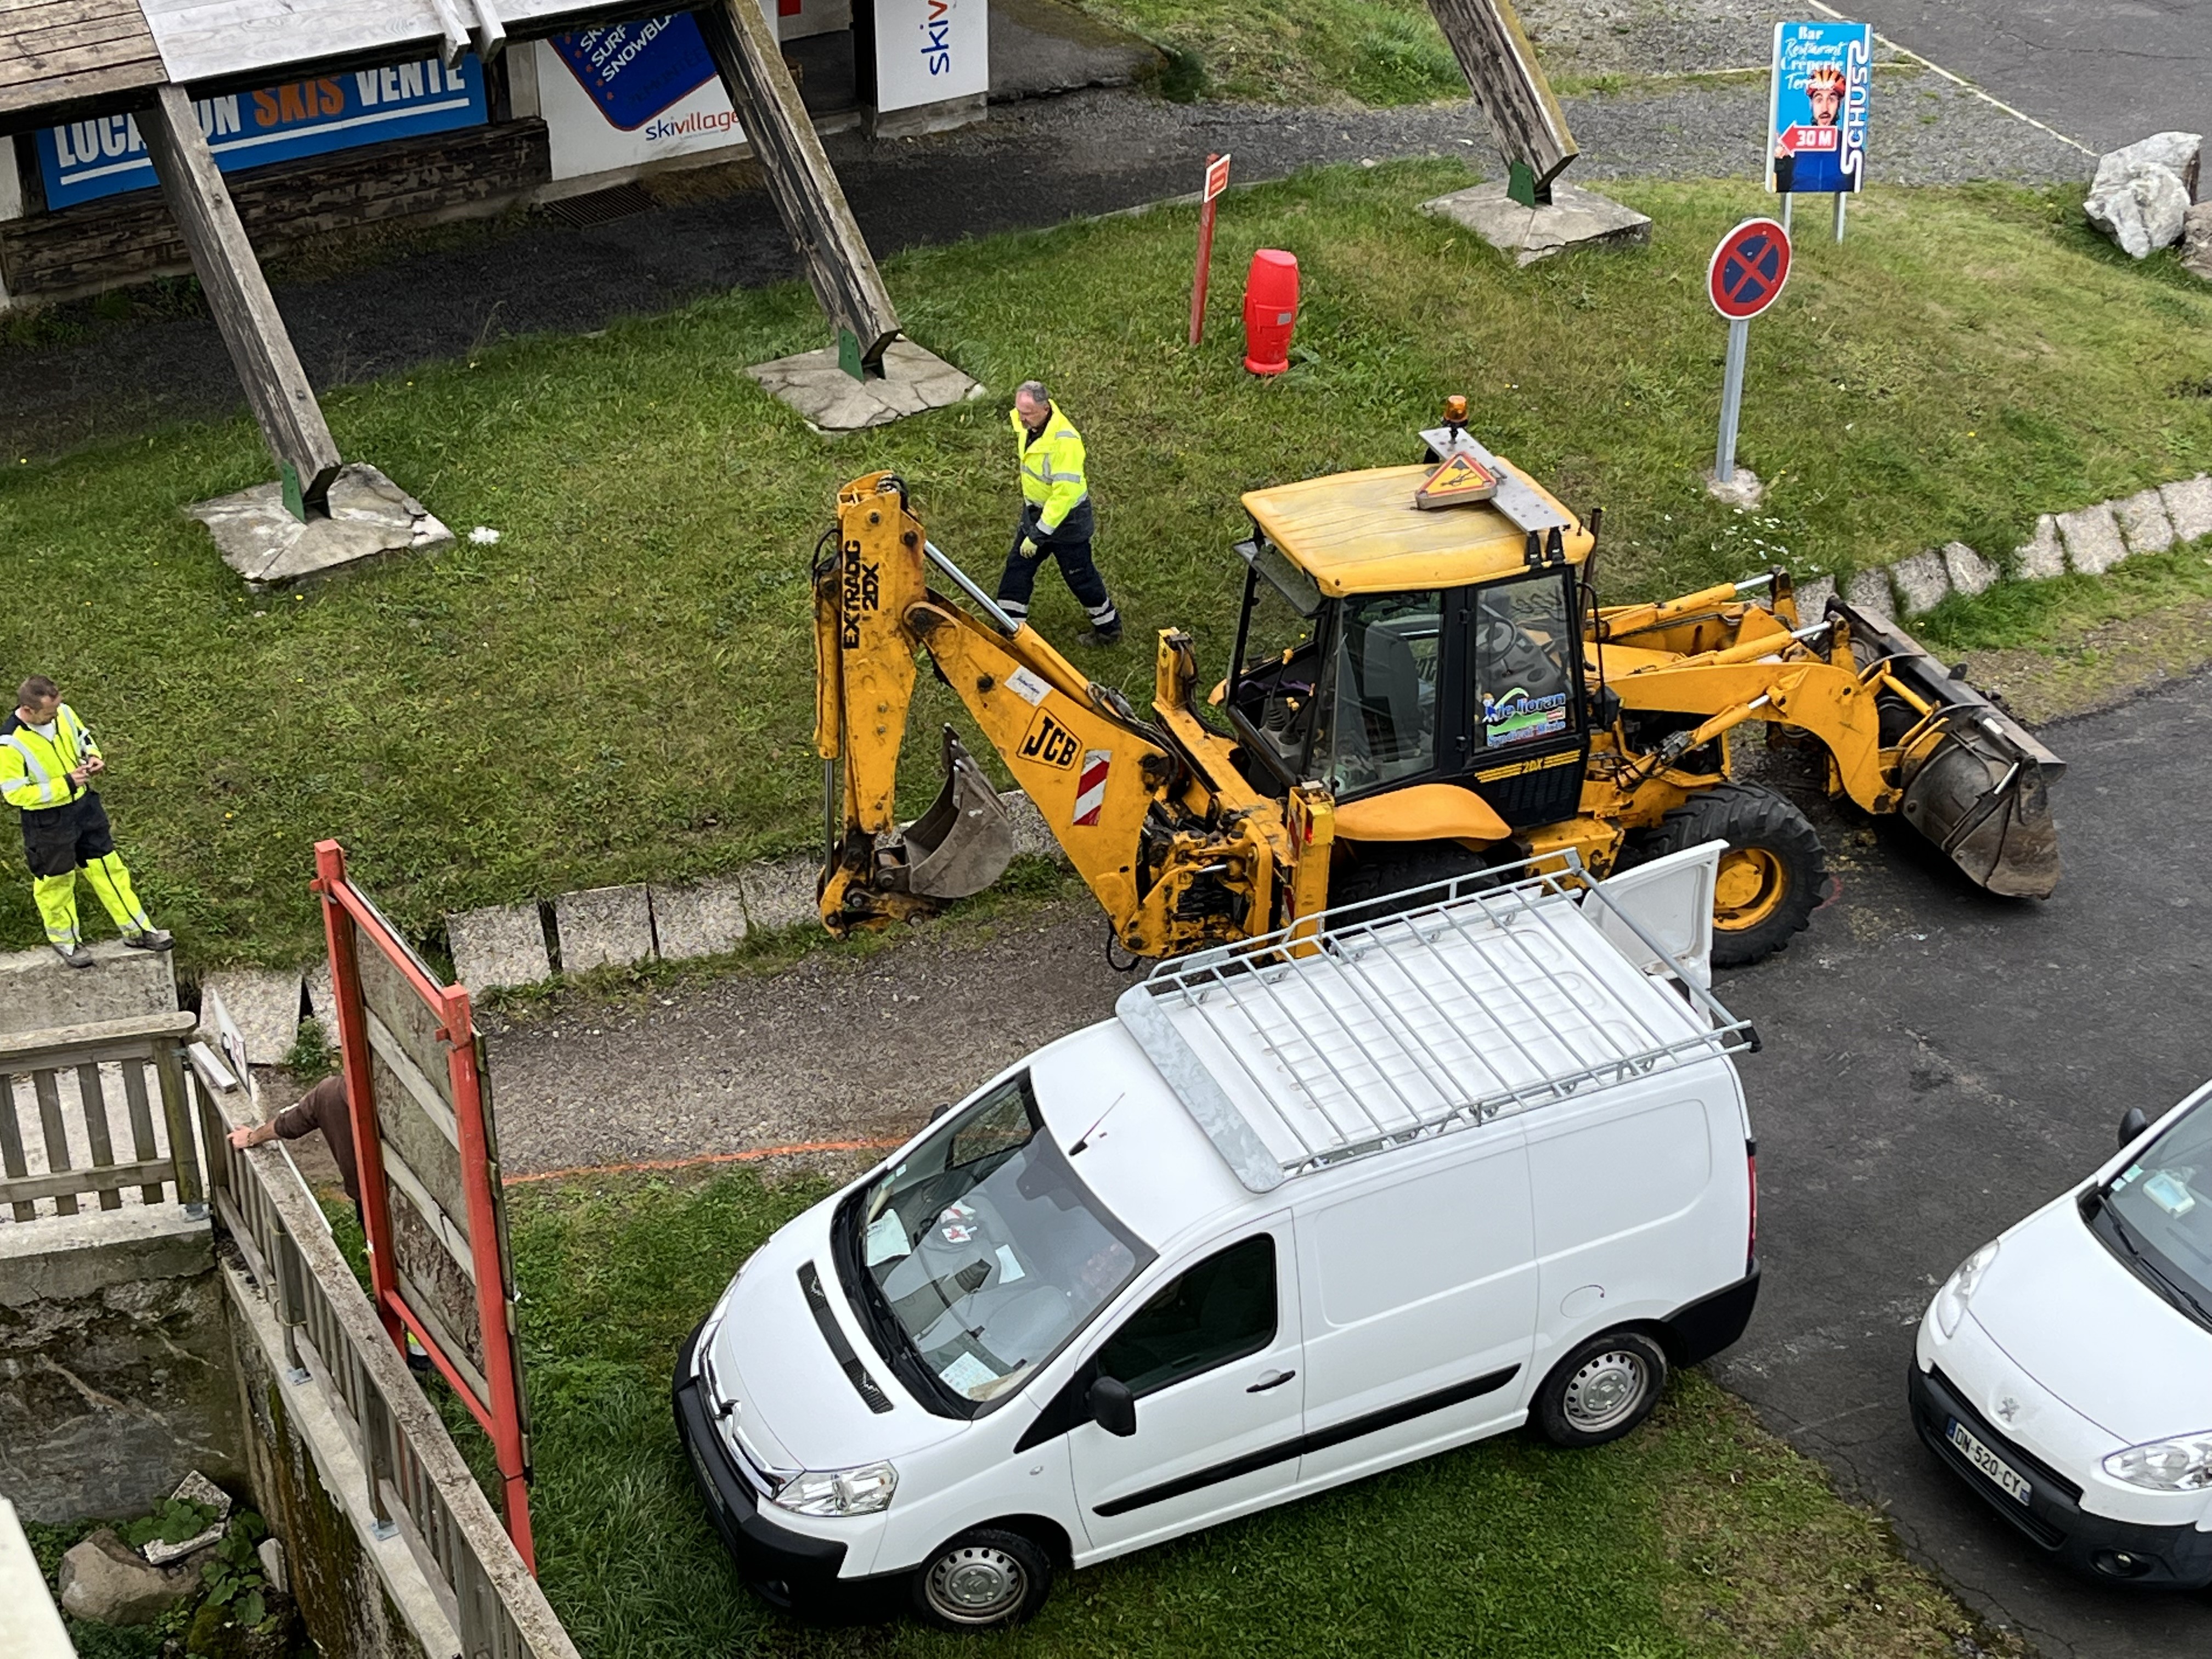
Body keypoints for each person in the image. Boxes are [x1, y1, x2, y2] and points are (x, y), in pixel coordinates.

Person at [2, 675, 171, 967]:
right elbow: (14, 794)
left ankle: (138, 929)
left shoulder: (63, 712)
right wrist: (65, 783)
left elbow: (83, 736)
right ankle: (66, 941)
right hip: (47, 821)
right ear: (28, 710)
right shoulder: (9, 744)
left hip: (84, 807)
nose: (57, 714)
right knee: (56, 881)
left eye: (58, 707)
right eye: (49, 713)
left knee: (108, 867)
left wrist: (93, 755)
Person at [999, 381, 1121, 646]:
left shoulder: (1065, 442)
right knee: (1017, 568)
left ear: (1045, 409)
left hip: (1067, 523)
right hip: (1035, 515)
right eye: (1019, 411)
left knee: (1080, 576)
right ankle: (1010, 627)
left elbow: (1064, 495)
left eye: (1027, 413)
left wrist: (1040, 533)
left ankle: (1108, 629)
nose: (1020, 418)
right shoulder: (1029, 424)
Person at [229, 1074, 360, 1221]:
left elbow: (289, 1123)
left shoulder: (330, 1093)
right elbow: (289, 1123)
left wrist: (252, 1137)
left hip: (365, 1197)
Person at [1773, 63, 1847, 194]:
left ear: (1839, 104)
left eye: (1832, 99)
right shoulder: (1794, 145)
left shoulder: (1850, 147)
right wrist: (1781, 163)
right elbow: (1782, 188)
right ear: (1811, 104)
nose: (1825, 108)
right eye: (1819, 100)